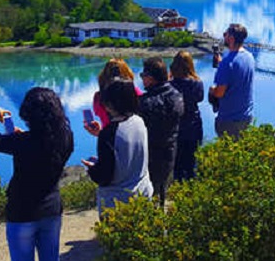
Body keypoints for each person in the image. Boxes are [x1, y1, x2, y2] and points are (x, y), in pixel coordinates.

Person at [0, 88, 74, 261]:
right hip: (51, 209)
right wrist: (23, 139)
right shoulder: (66, 137)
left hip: (21, 212)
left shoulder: (21, 142)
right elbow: (42, 146)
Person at [83, 80, 153, 215]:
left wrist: (92, 168)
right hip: (143, 192)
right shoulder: (139, 121)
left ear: (109, 105)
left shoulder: (108, 134)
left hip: (117, 202)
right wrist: (101, 134)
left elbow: (104, 176)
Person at [138, 57, 184, 205]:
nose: (142, 80)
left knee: (149, 193)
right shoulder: (176, 95)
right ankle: (160, 221)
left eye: (143, 76)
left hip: (151, 154)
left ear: (150, 78)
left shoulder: (146, 103)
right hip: (170, 149)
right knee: (161, 188)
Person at [209, 23, 255, 140]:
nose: (224, 37)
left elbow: (219, 92)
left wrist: (211, 90)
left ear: (231, 38)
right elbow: (236, 71)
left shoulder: (226, 63)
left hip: (229, 120)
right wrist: (221, 64)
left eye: (225, 34)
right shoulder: (249, 57)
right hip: (246, 116)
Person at [169, 51, 204, 182]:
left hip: (177, 127)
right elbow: (199, 98)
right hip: (193, 126)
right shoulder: (197, 83)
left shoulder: (171, 85)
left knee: (177, 163)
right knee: (192, 162)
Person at [90, 59, 142, 130]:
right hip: (134, 134)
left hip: (108, 137)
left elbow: (103, 118)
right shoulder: (136, 92)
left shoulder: (98, 97)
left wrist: (99, 132)